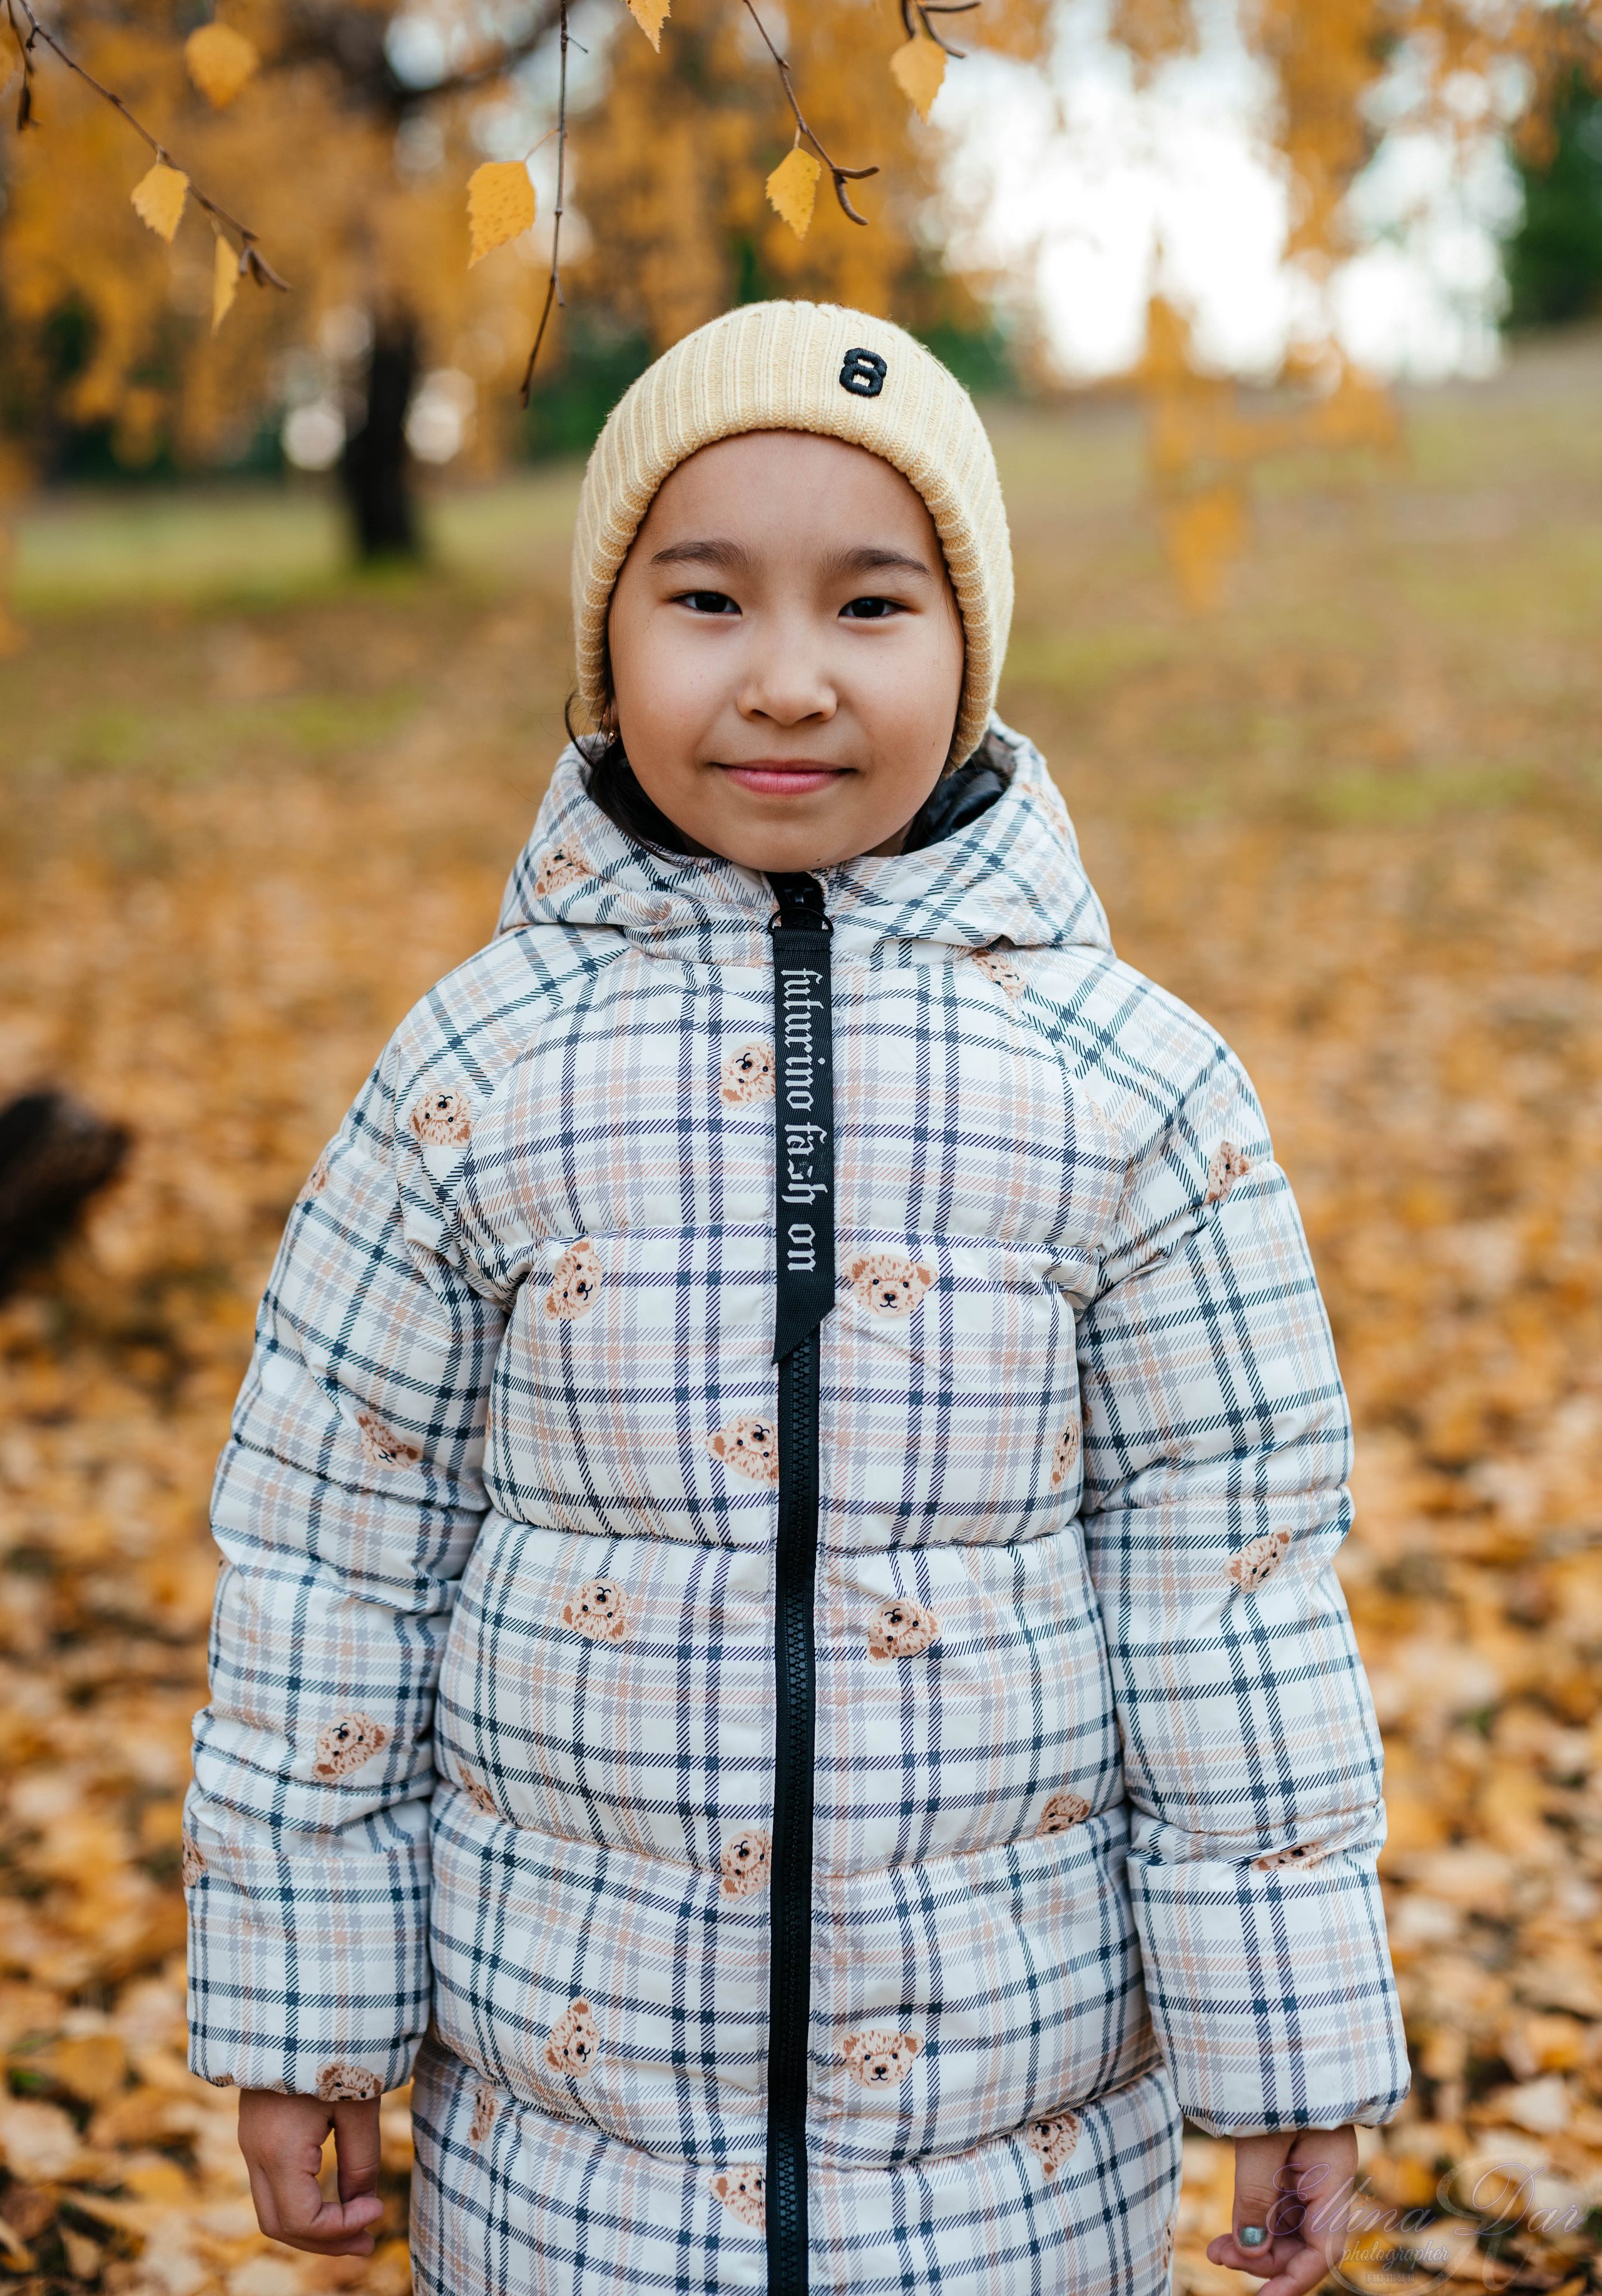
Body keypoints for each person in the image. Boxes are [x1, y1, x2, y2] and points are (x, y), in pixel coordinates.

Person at [184, 300, 1407, 2296]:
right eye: (704, 600)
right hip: (567, 2179)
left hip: (1003, 2174)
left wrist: (1285, 2040)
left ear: (968, 648)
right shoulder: (470, 1075)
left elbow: (1234, 1587)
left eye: (868, 606)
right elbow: (328, 1558)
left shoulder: (1140, 1093)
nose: (783, 680)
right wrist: (303, 2006)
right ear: (608, 647)